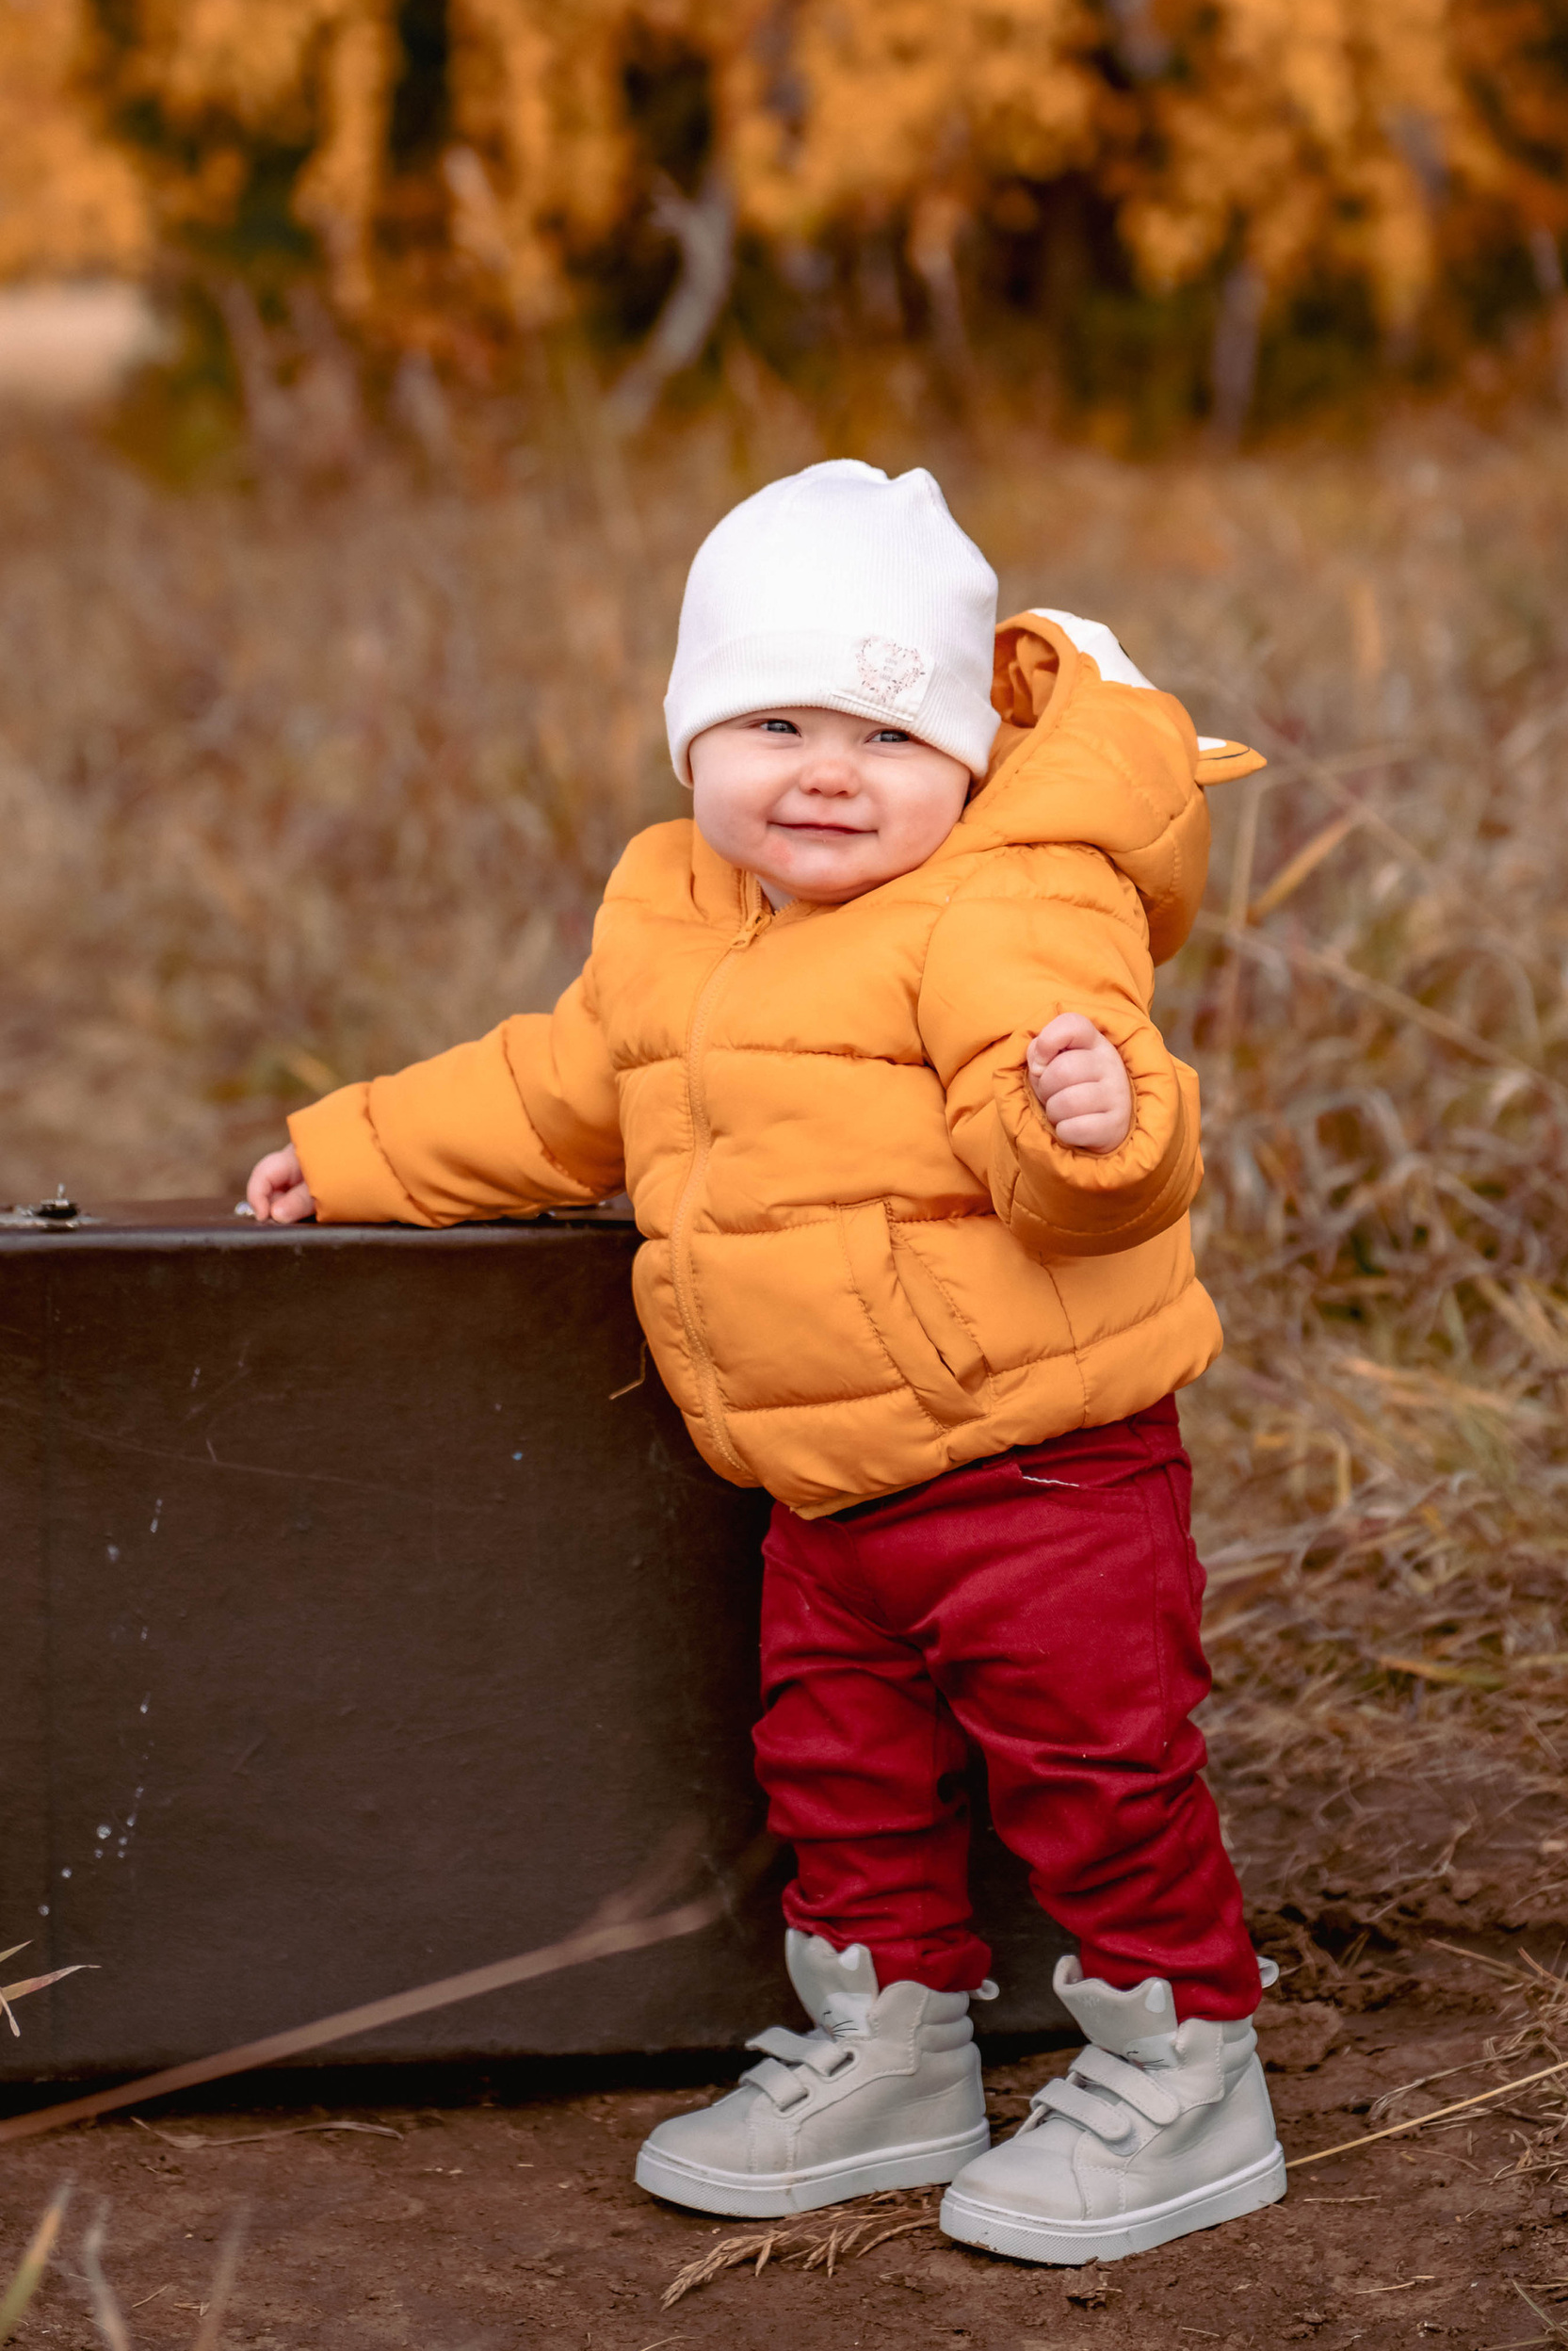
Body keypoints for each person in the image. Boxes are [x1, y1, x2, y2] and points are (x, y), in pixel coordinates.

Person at [248, 460, 1283, 2266]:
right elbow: (556, 1090)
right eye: (775, 722)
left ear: (963, 763)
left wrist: (1093, 1124)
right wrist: (358, 1152)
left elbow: (1069, 1130)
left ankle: (1185, 2073)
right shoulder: (675, 909)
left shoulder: (1002, 904)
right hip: (822, 1485)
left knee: (1095, 1776)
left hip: (1039, 1471)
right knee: (837, 1775)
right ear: (692, 739)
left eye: (888, 734)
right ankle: (891, 2051)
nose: (826, 771)